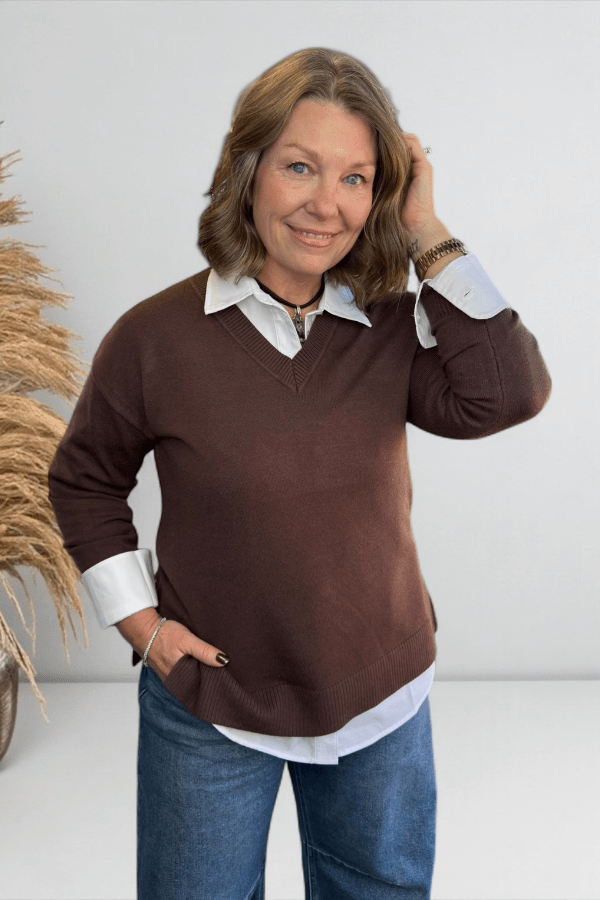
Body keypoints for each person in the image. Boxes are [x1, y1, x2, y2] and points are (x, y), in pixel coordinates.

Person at [48, 47, 551, 900]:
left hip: (381, 697)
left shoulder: (391, 329)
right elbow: (85, 479)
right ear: (246, 173)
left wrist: (428, 232)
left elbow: (507, 395)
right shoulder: (154, 338)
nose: (328, 204)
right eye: (300, 167)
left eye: (358, 178)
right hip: (210, 701)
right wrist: (141, 626)